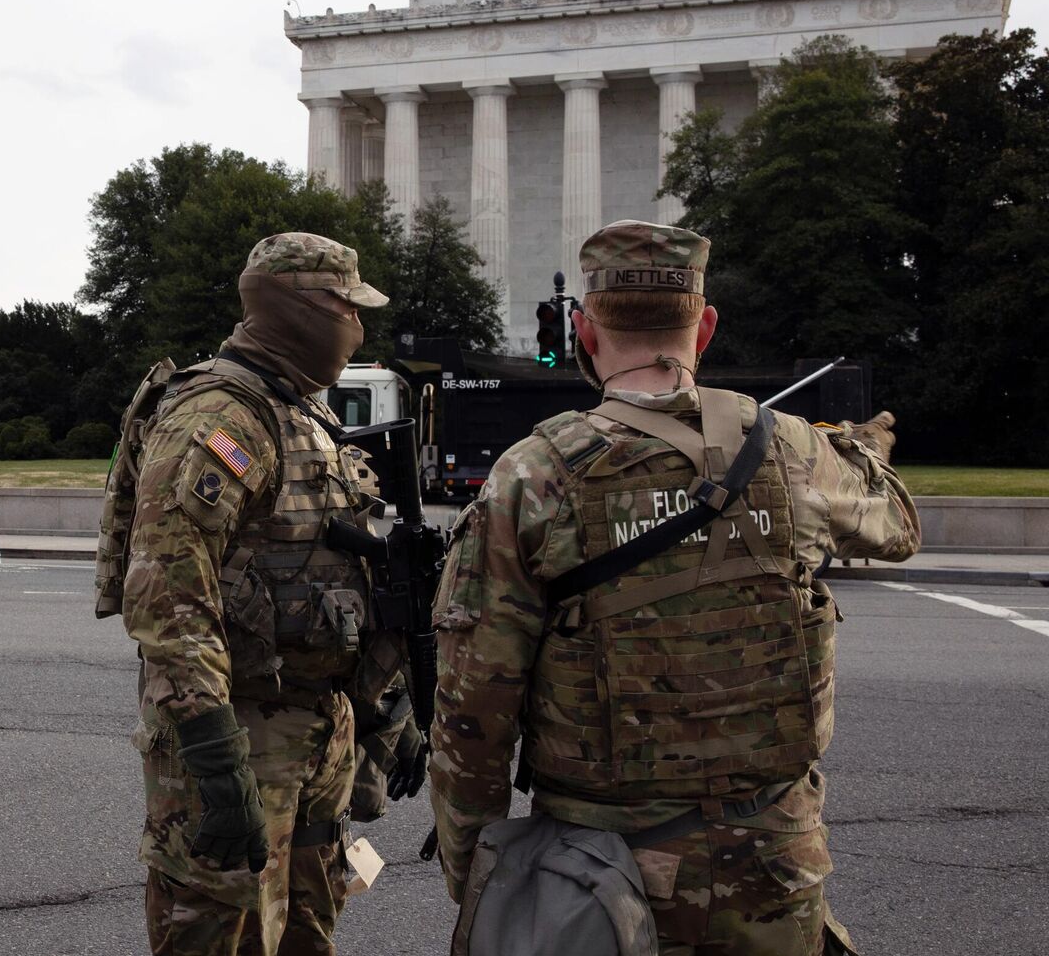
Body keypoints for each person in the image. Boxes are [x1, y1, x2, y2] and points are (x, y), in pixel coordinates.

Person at [429, 220, 919, 954]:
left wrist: (477, 875)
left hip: (600, 876)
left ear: (585, 332)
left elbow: (475, 711)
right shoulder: (791, 448)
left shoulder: (533, 474)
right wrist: (855, 449)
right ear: (706, 326)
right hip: (774, 865)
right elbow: (898, 528)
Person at [101, 232, 390, 955]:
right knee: (219, 934)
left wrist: (382, 711)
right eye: (347, 307)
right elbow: (167, 592)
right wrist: (212, 751)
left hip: (313, 731)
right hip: (240, 737)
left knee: (308, 933)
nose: (358, 325)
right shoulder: (221, 417)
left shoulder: (302, 412)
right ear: (302, 310)